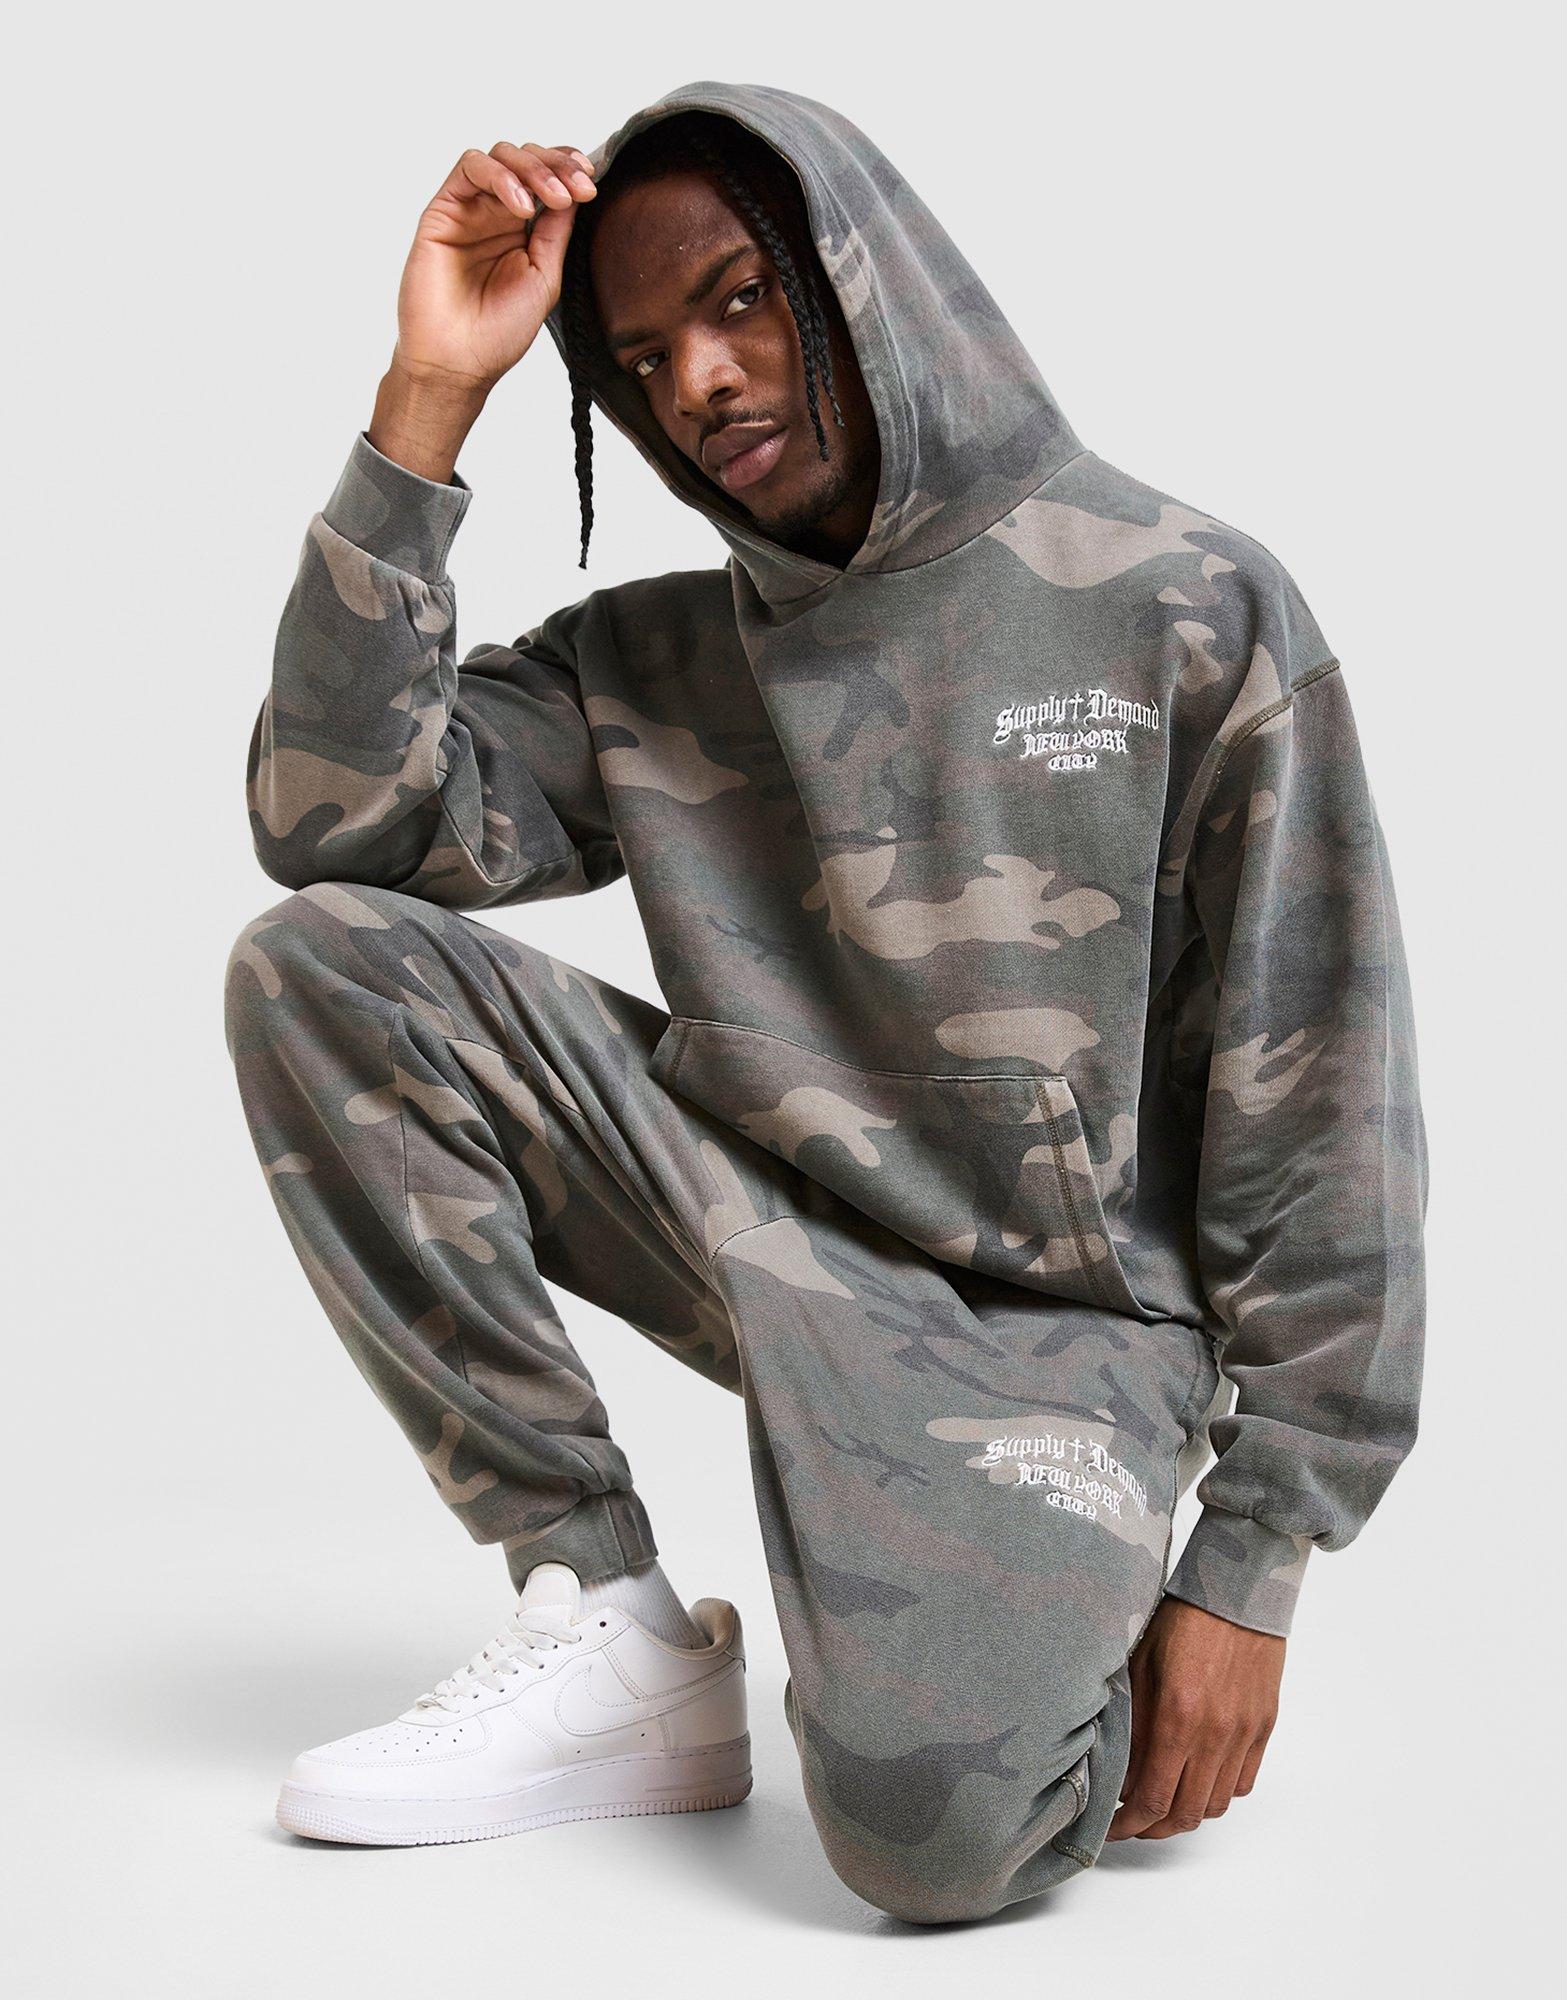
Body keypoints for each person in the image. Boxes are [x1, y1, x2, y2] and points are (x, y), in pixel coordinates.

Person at [224, 80, 1428, 1922]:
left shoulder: (1189, 604)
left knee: (932, 1843)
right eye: (643, 359)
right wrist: (430, 401)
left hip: (1069, 1337)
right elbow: (334, 825)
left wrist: (1251, 1567)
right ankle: (606, 1620)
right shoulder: (653, 656)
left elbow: (1326, 1101)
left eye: (741, 301)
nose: (701, 382)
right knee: (323, 962)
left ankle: (991, 1579)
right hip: (761, 1230)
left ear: (865, 282)